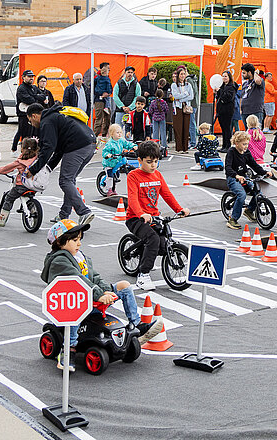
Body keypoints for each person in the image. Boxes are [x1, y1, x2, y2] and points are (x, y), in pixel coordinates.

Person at [42, 217, 164, 371]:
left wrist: (106, 290)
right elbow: (80, 281)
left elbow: (94, 277)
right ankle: (69, 349)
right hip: (74, 301)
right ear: (60, 243)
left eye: (79, 239)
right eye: (74, 240)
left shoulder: (79, 257)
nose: (79, 243)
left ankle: (136, 324)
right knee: (74, 314)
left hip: (90, 296)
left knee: (124, 286)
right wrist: (99, 295)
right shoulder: (59, 261)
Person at [125, 140, 190, 289]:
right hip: (135, 218)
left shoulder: (157, 175)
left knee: (163, 243)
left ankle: (147, 256)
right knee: (153, 239)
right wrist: (141, 214)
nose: (153, 165)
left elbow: (167, 194)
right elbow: (132, 199)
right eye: (149, 162)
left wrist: (179, 209)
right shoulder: (133, 176)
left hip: (154, 216)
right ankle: (143, 275)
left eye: (155, 161)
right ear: (140, 160)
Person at [26, 103, 97, 222]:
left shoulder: (47, 122)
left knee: (65, 181)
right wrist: (48, 168)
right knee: (70, 180)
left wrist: (33, 170)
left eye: (30, 121)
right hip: (90, 144)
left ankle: (84, 212)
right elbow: (58, 149)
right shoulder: (56, 116)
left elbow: (48, 148)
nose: (32, 124)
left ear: (34, 116)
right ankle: (64, 215)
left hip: (78, 146)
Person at [0, 136, 43, 227]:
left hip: (22, 185)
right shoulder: (37, 158)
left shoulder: (21, 161)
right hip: (34, 185)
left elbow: (7, 168)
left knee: (9, 198)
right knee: (27, 196)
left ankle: (1, 219)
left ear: (23, 149)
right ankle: (32, 209)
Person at [224, 130, 268, 230]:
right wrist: (236, 176)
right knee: (241, 195)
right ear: (236, 143)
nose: (246, 146)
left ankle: (249, 210)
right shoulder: (231, 152)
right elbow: (228, 168)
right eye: (244, 144)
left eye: (247, 144)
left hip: (244, 177)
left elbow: (254, 165)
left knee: (257, 193)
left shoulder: (246, 152)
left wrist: (265, 172)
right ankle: (233, 219)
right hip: (233, 178)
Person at [100, 124, 137, 195]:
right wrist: (108, 155)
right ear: (112, 134)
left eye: (120, 132)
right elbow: (105, 151)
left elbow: (127, 144)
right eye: (117, 132)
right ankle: (109, 190)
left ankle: (113, 189)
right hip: (109, 162)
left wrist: (133, 146)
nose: (119, 134)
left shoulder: (121, 140)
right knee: (110, 176)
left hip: (117, 160)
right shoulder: (110, 143)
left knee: (116, 175)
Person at [12, 70, 41, 155]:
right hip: (23, 114)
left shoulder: (33, 87)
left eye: (32, 76)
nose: (31, 78)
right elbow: (29, 100)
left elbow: (42, 95)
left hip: (32, 114)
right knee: (23, 132)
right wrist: (36, 97)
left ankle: (30, 151)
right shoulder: (21, 88)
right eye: (29, 76)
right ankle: (16, 150)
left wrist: (35, 97)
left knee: (31, 133)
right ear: (23, 77)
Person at [170, 67, 195, 153]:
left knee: (186, 127)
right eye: (181, 74)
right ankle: (179, 148)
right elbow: (175, 95)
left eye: (184, 74)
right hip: (178, 108)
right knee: (178, 127)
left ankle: (185, 148)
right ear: (178, 75)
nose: (183, 76)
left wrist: (181, 99)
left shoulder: (188, 85)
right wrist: (185, 94)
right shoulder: (174, 85)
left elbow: (191, 96)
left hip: (186, 107)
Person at [113, 66, 142, 138]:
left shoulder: (136, 84)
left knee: (129, 131)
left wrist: (130, 107)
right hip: (120, 110)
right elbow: (115, 96)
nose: (130, 74)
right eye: (128, 72)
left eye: (132, 72)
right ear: (125, 73)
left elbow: (137, 97)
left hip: (131, 111)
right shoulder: (118, 83)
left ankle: (128, 144)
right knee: (117, 130)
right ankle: (117, 143)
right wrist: (122, 106)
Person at [213, 71, 238, 150]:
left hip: (227, 111)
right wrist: (216, 93)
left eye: (226, 76)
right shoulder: (222, 86)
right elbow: (219, 97)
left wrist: (220, 91)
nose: (224, 78)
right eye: (223, 76)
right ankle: (224, 145)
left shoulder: (232, 86)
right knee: (223, 129)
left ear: (229, 77)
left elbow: (228, 97)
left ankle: (228, 146)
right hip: (220, 111)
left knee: (227, 129)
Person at [237, 63, 266, 131]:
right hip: (245, 111)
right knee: (248, 132)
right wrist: (240, 109)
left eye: (244, 73)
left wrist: (255, 73)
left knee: (256, 132)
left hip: (255, 111)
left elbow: (257, 81)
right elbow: (241, 97)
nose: (242, 75)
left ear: (249, 72)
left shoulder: (259, 80)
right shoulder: (245, 83)